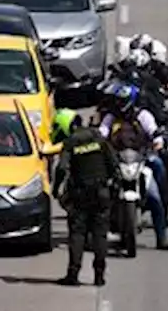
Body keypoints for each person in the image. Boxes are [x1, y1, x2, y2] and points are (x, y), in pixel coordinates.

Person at [98, 83, 168, 250]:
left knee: (155, 194)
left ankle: (161, 236)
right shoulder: (110, 117)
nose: (120, 104)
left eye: (123, 101)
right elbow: (101, 133)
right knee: (99, 192)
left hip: (140, 161)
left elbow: (154, 131)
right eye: (118, 100)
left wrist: (158, 141)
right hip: (116, 162)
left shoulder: (143, 115)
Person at [54, 111, 118, 286]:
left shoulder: (70, 142)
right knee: (100, 235)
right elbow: (113, 163)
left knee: (77, 234)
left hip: (80, 195)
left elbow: (61, 168)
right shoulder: (98, 137)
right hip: (101, 193)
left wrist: (55, 189)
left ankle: (73, 275)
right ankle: (99, 275)